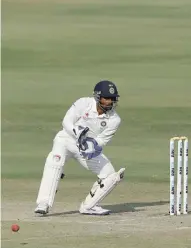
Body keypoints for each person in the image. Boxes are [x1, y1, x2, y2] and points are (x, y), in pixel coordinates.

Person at [34, 80, 125, 216]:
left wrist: (92, 146)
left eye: (112, 99)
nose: (110, 102)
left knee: (110, 175)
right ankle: (44, 203)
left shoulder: (114, 120)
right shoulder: (83, 103)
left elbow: (101, 140)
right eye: (106, 98)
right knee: (54, 162)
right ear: (98, 97)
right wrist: (77, 133)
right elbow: (66, 121)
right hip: (66, 140)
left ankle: (89, 206)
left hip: (85, 148)